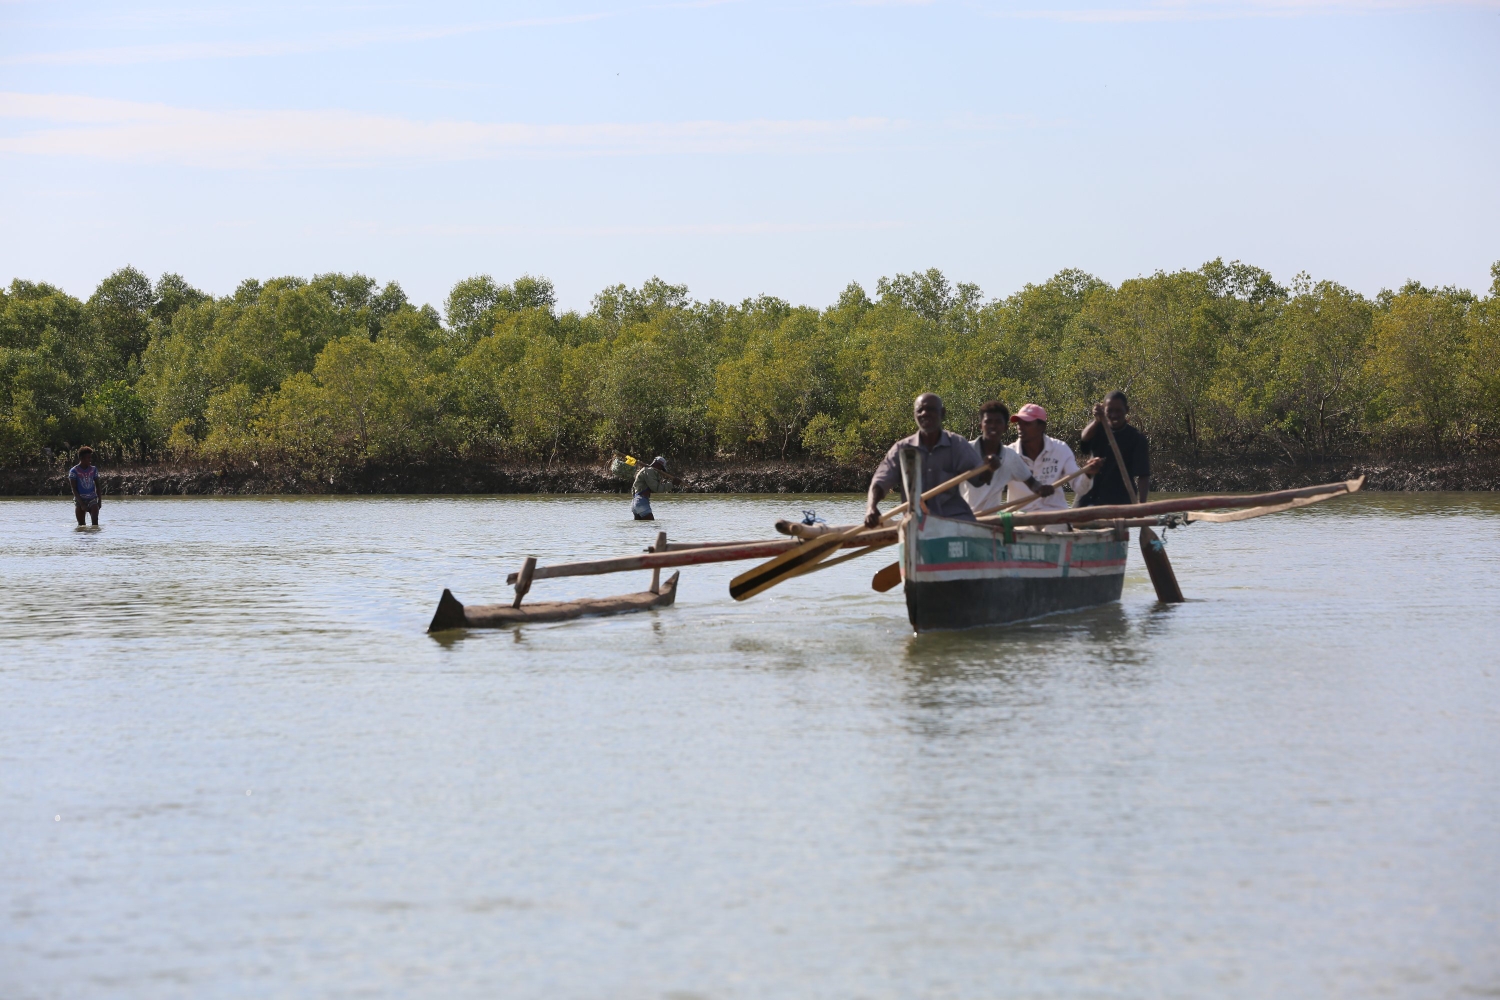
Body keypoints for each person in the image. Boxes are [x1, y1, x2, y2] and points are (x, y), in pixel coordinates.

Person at [863, 392, 998, 529]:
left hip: (956, 520)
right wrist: (871, 508)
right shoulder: (902, 449)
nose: (924, 413)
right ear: (914, 414)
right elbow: (880, 482)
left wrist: (989, 467)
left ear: (942, 413)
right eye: (920, 410)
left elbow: (980, 479)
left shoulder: (956, 444)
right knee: (911, 526)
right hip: (917, 522)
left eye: (931, 409)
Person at [1002, 403, 1103, 529]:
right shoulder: (1009, 454)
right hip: (1021, 517)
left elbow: (1080, 488)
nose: (1020, 427)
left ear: (1041, 427)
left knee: (1053, 527)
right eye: (1019, 423)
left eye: (1027, 424)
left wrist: (1088, 474)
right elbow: (992, 486)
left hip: (1055, 516)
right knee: (1026, 529)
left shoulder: (1060, 449)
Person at [960, 400, 1058, 515]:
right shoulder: (965, 451)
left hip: (990, 521)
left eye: (998, 422)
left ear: (1005, 428)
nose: (993, 426)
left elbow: (1033, 484)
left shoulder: (1011, 456)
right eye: (988, 422)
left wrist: (1042, 488)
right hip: (963, 517)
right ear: (980, 426)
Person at [1077, 390, 1150, 506]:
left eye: (1118, 411)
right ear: (1104, 411)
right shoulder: (1096, 428)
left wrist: (1142, 504)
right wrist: (1097, 420)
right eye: (1109, 411)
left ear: (1126, 410)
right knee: (1074, 522)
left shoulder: (1137, 438)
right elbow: (1084, 438)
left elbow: (1143, 475)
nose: (1114, 415)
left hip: (1119, 499)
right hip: (1090, 495)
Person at [630, 456, 674, 520]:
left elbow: (633, 489)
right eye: (661, 468)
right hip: (641, 502)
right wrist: (672, 484)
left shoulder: (644, 470)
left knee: (641, 528)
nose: (660, 470)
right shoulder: (649, 471)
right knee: (652, 526)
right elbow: (657, 488)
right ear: (658, 465)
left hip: (635, 502)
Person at [68, 446, 102, 526]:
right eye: (88, 458)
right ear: (82, 458)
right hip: (80, 499)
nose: (90, 460)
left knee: (95, 522)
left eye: (91, 457)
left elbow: (98, 486)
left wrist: (99, 501)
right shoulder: (74, 471)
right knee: (81, 525)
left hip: (92, 498)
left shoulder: (93, 469)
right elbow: (74, 489)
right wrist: (81, 504)